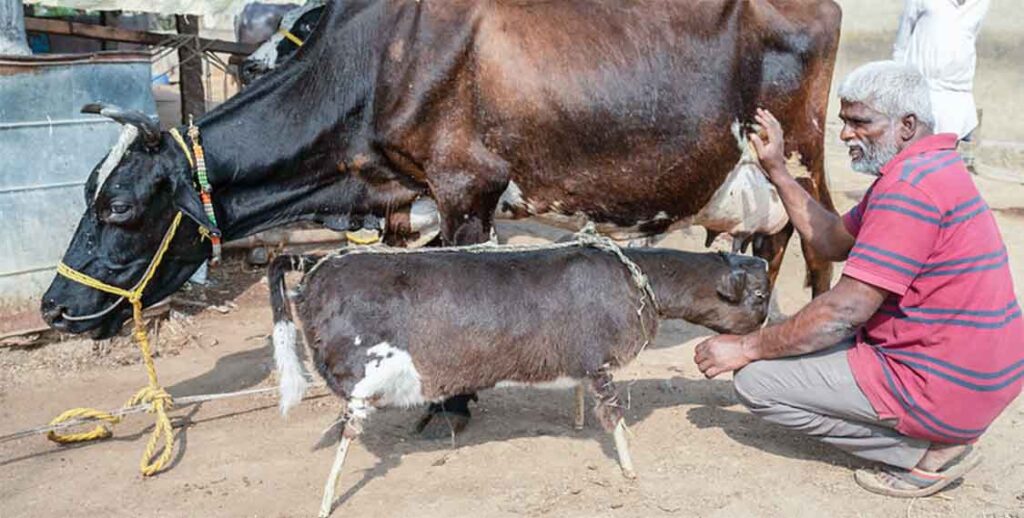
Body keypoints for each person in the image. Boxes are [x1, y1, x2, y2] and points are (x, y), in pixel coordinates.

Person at [694, 61, 1022, 498]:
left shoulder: (909, 191)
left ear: (907, 125)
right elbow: (830, 240)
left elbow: (844, 311)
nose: (846, 134)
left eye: (860, 122)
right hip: (979, 369)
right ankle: (936, 430)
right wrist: (776, 169)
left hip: (941, 380)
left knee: (757, 383)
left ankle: (926, 452)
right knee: (795, 345)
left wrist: (746, 346)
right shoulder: (928, 167)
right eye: (844, 121)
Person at [893, 0, 991, 169]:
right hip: (920, 88)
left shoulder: (981, 4)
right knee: (911, 156)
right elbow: (902, 40)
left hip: (956, 92)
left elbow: (969, 38)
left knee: (944, 159)